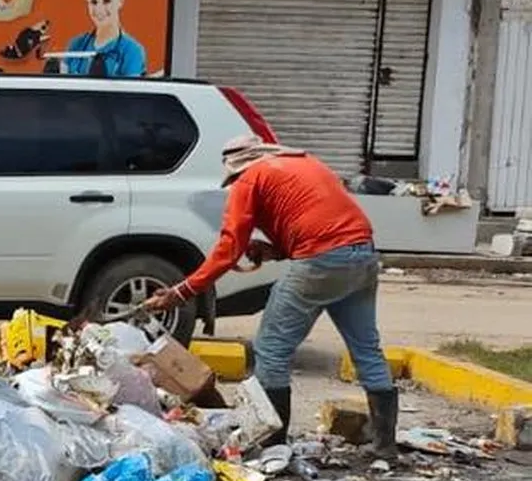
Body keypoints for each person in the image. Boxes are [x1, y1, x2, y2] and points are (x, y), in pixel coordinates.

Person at [143, 134, 397, 459]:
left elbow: (228, 248)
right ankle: (385, 446)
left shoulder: (251, 178)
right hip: (362, 256)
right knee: (366, 349)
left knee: (271, 349)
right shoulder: (305, 164)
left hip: (320, 261)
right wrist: (274, 250)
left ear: (238, 168)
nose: (234, 184)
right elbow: (320, 222)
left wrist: (181, 292)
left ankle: (273, 445)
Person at [63, 0, 147, 77]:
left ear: (120, 1)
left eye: (106, 1)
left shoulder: (132, 51)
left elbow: (130, 92)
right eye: (93, 2)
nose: (99, 9)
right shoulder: (76, 45)